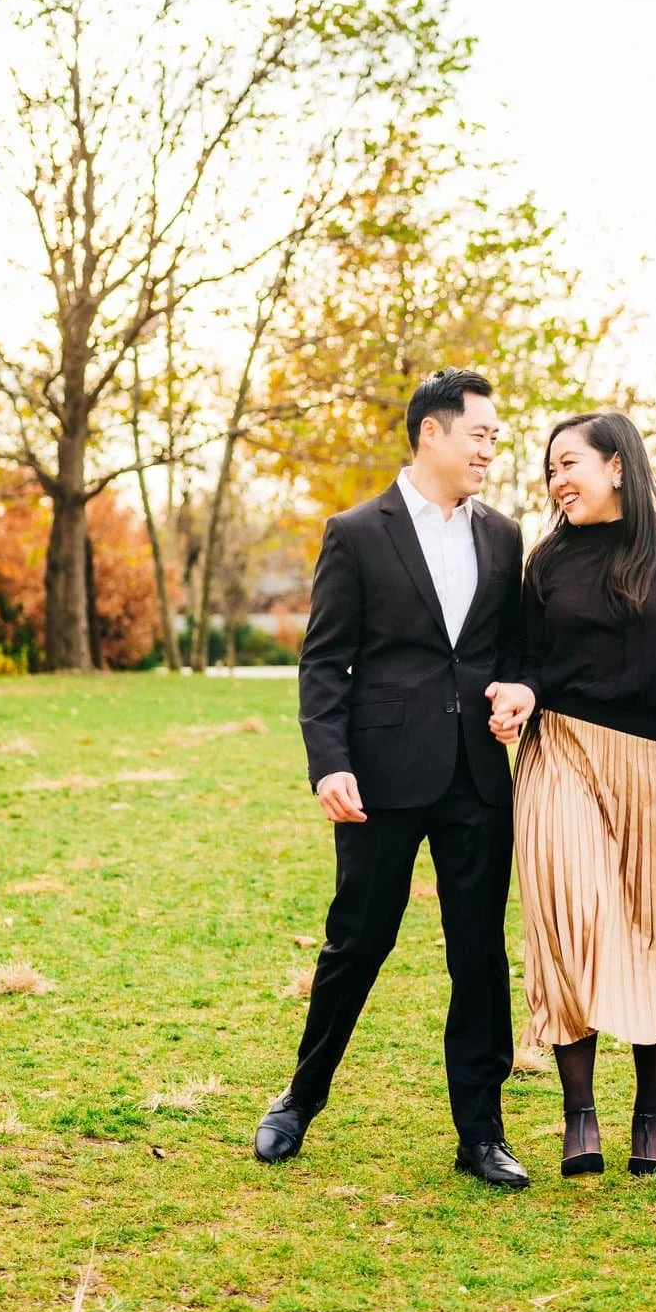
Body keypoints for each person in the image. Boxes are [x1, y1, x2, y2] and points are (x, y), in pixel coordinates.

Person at [252, 368, 532, 1188]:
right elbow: (324, 662)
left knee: (478, 954)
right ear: (432, 434)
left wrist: (521, 691)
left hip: (478, 776)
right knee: (358, 942)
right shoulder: (357, 533)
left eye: (493, 437)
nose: (490, 448)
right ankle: (300, 1100)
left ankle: (481, 1133)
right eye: (479, 433)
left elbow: (509, 651)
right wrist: (329, 765)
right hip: (378, 778)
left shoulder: (505, 537)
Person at [486, 411, 656, 1179]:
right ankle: (578, 1115)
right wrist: (518, 693)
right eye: (548, 470)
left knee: (655, 927)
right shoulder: (546, 563)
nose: (556, 481)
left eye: (568, 463)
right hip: (561, 750)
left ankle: (651, 1111)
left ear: (616, 465)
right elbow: (526, 659)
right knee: (572, 917)